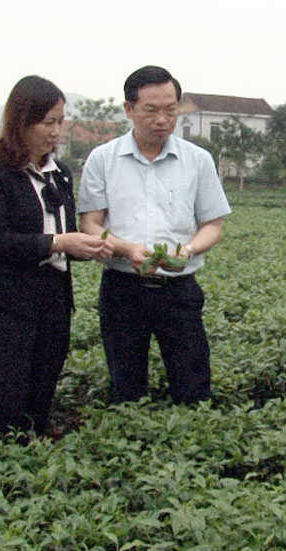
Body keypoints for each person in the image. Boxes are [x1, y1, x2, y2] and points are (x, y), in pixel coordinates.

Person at [0, 75, 110, 434]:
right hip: (5, 302)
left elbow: (65, 229)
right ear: (21, 121)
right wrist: (59, 243)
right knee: (7, 398)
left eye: (60, 121)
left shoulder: (59, 173)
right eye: (48, 122)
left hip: (53, 297)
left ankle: (37, 452)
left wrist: (87, 247)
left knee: (42, 391)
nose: (56, 131)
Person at [78, 65, 231, 404]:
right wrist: (125, 249)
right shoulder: (103, 159)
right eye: (151, 110)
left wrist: (189, 250)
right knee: (126, 388)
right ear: (129, 109)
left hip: (179, 290)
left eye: (170, 109)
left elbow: (213, 225)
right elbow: (90, 223)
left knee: (193, 387)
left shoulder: (198, 160)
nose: (162, 119)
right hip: (122, 289)